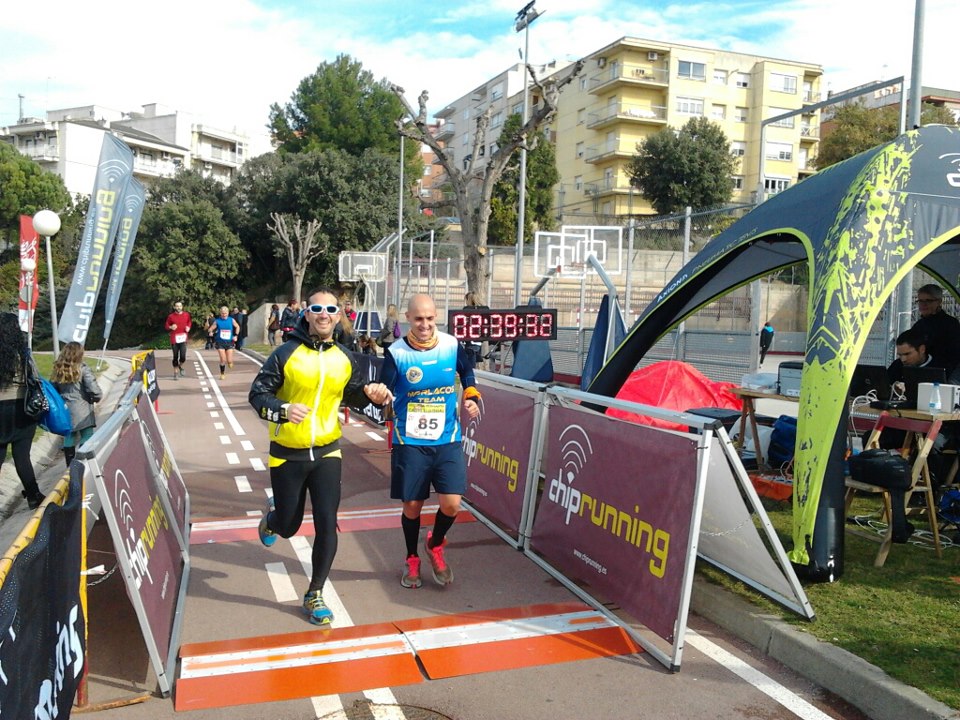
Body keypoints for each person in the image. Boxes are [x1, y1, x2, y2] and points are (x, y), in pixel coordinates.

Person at [248, 288, 392, 625]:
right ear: (307, 314)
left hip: (328, 452)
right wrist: (282, 409)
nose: (324, 314)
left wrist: (374, 393)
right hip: (288, 453)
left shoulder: (344, 357)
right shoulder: (285, 354)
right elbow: (258, 395)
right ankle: (273, 519)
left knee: (327, 522)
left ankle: (314, 593)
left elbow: (354, 396)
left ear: (338, 315)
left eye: (331, 308)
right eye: (317, 308)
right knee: (289, 525)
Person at [379, 294, 482, 589]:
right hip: (409, 440)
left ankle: (435, 544)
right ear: (408, 319)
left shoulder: (451, 345)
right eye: (418, 319)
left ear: (436, 317)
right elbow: (385, 387)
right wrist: (379, 394)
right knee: (412, 505)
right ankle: (412, 557)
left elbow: (468, 372)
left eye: (429, 318)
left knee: (452, 505)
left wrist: (471, 394)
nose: (424, 325)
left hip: (447, 437)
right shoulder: (396, 352)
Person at [0, 313, 44, 509]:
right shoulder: (23, 353)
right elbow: (34, 377)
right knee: (22, 456)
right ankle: (33, 494)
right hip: (22, 407)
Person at [51, 341, 103, 467]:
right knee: (87, 435)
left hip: (65, 411)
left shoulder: (58, 370)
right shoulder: (83, 370)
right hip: (82, 410)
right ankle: (85, 464)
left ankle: (70, 466)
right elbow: (94, 390)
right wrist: (96, 398)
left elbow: (53, 390)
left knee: (69, 437)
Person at [911, 284, 960, 376]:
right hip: (921, 368)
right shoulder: (918, 325)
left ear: (939, 302)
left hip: (943, 371)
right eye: (920, 301)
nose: (923, 304)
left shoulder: (950, 324)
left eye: (928, 301)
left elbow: (954, 356)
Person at [164, 300, 192, 380]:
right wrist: (170, 327)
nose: (178, 307)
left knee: (183, 357)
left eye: (180, 306)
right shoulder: (171, 316)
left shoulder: (186, 315)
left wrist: (188, 327)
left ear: (182, 307)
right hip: (174, 339)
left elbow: (189, 322)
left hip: (183, 338)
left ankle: (180, 365)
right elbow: (166, 325)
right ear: (174, 307)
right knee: (175, 356)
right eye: (177, 306)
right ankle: (175, 372)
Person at [461, 292, 489, 369]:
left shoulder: (468, 313)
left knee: (470, 366)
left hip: (471, 344)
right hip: (477, 343)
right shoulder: (483, 313)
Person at [213, 306, 240, 380]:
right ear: (220, 313)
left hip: (229, 342)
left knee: (229, 360)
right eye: (222, 313)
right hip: (220, 342)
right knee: (223, 359)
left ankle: (230, 362)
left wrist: (236, 335)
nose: (224, 315)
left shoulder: (231, 320)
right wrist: (211, 332)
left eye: (225, 313)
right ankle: (222, 374)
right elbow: (211, 328)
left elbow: (237, 326)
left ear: (228, 313)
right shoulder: (217, 321)